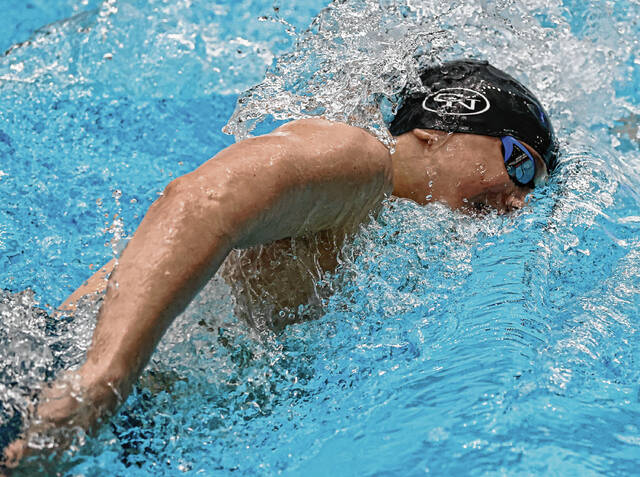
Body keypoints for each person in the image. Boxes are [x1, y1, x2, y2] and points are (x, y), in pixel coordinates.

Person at [1, 59, 557, 471]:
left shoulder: (382, 231)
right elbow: (202, 201)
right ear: (442, 126)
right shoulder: (361, 160)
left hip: (116, 418)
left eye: (534, 188)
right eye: (519, 165)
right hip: (50, 369)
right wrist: (102, 379)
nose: (520, 200)